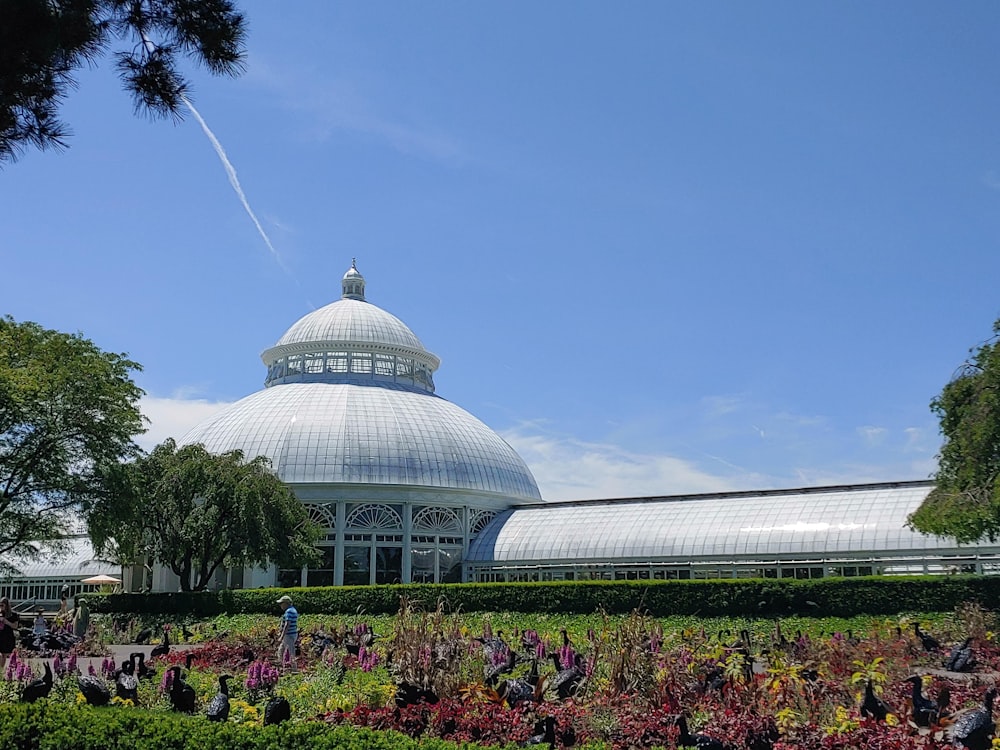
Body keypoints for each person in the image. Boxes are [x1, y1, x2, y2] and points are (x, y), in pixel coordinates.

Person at [276, 595, 298, 672]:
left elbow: (287, 624)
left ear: (286, 603)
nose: (280, 605)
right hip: (290, 635)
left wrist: (281, 636)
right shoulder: (292, 610)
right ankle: (283, 668)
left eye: (281, 603)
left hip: (288, 635)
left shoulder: (289, 611)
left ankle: (294, 670)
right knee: (281, 651)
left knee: (290, 653)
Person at [0, 597, 18, 672]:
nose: (1, 607)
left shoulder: (13, 615)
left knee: (4, 654)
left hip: (7, 636)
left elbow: (15, 626)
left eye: (2, 605)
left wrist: (6, 621)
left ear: (6, 606)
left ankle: (1, 671)